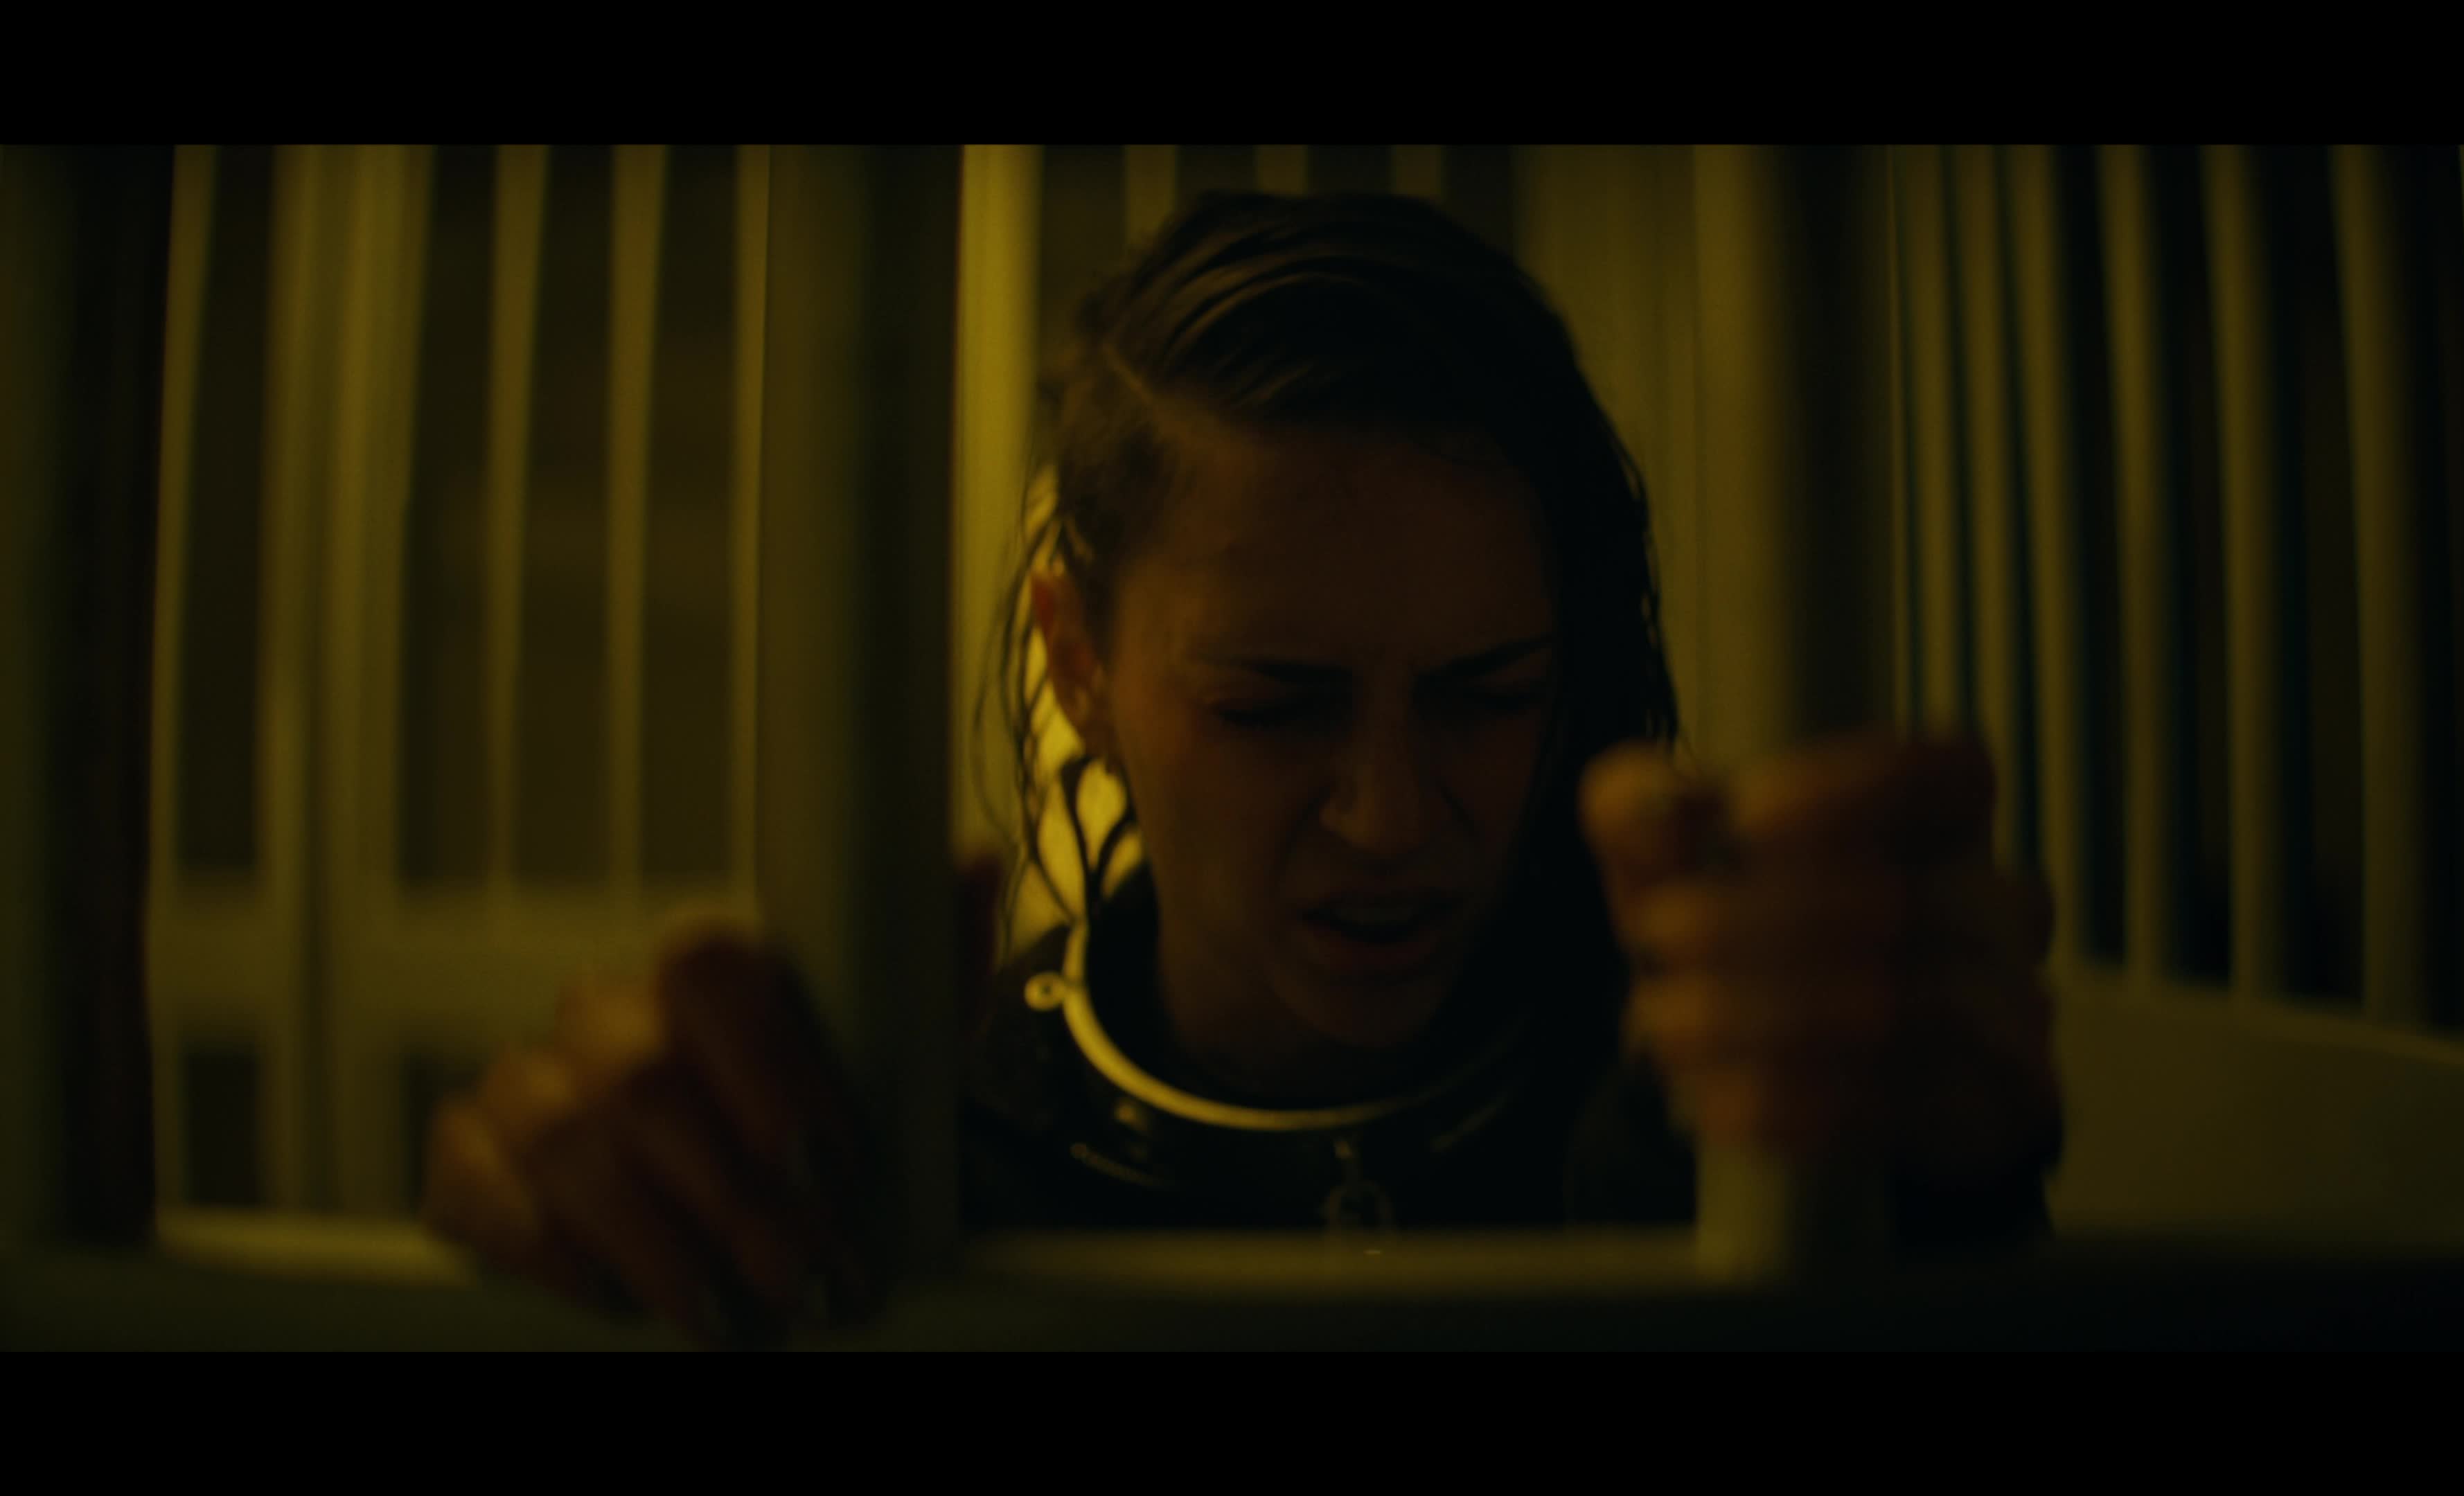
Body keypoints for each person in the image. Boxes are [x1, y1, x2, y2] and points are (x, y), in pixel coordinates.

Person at [418, 190, 2064, 1348]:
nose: (1392, 817)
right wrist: (587, 1239)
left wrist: (1945, 1209)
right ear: (1080, 664)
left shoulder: (1718, 1091)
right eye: (1276, 705)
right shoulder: (926, 1142)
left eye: (1489, 694)